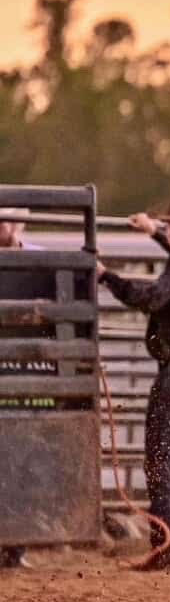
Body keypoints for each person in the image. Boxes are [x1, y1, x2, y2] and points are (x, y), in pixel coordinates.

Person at [97, 197, 170, 570]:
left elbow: (152, 297)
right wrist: (154, 233)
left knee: (160, 464)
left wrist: (105, 276)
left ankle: (167, 550)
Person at [0, 208, 49, 570]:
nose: (5, 224)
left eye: (10, 218)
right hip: (15, 366)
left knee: (24, 459)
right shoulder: (39, 258)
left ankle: (16, 546)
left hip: (27, 368)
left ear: (21, 223)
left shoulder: (40, 259)